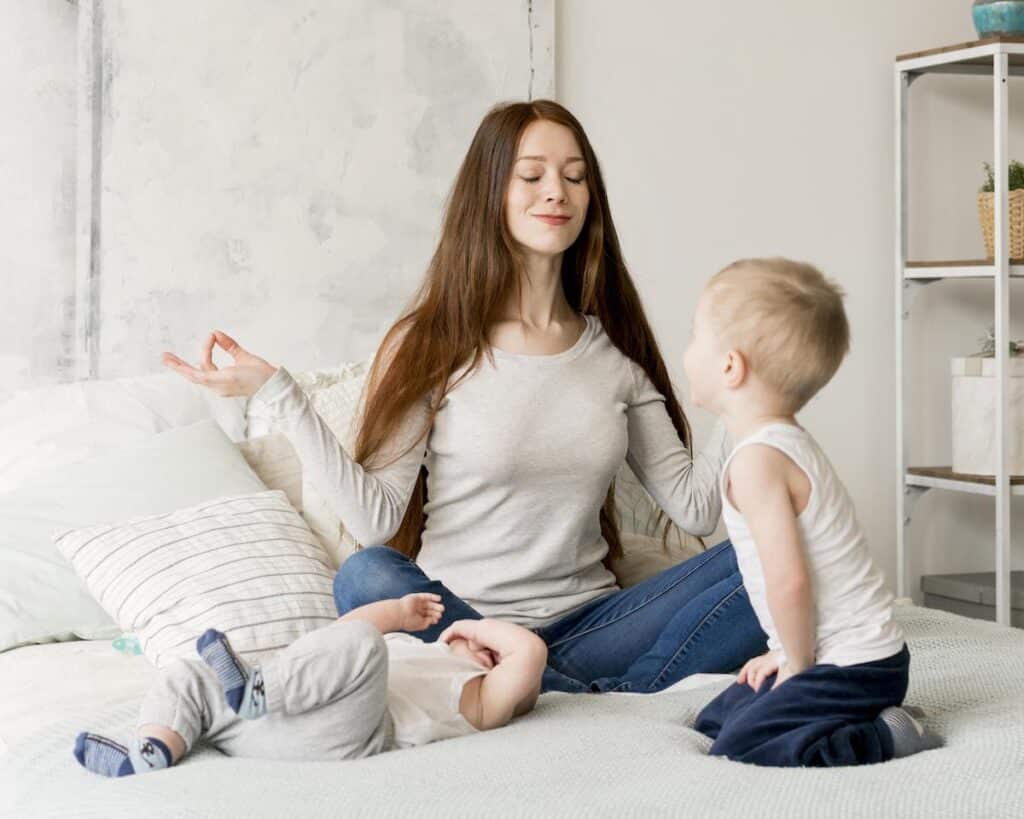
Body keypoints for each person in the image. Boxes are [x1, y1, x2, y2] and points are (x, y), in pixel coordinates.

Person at [162, 99, 766, 695]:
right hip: (463, 628)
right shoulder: (432, 342)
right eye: (532, 176)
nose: (556, 191)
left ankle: (557, 695)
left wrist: (747, 393)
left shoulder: (612, 358)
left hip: (594, 626)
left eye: (574, 176)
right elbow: (375, 522)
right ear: (491, 194)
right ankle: (583, 695)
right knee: (367, 576)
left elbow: (696, 509)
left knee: (780, 545)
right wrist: (278, 392)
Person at [686, 257, 943, 767]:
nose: (687, 351)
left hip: (856, 665)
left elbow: (791, 582)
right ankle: (844, 710)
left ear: (730, 366)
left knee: (741, 747)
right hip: (841, 659)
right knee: (716, 722)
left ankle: (888, 734)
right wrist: (781, 653)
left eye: (695, 337)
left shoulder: (759, 461)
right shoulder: (781, 441)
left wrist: (797, 666)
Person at [73, 593, 547, 776]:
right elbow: (340, 635)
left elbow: (530, 652)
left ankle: (259, 690)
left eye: (495, 659)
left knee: (363, 644)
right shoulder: (416, 648)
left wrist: (477, 628)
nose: (489, 652)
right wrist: (399, 615)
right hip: (269, 724)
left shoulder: (480, 699)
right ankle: (152, 750)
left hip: (342, 737)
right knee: (186, 674)